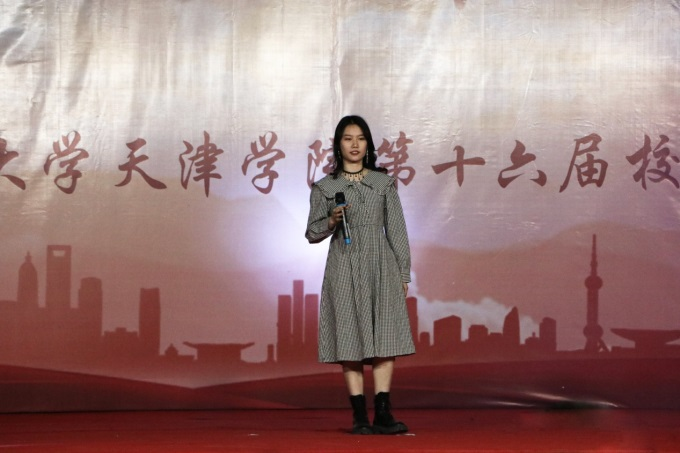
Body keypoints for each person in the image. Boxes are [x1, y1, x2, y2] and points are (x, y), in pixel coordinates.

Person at [305, 115, 415, 435]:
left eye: (361, 138)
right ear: (338, 145)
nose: (354, 145)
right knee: (349, 337)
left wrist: (403, 273)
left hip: (381, 265)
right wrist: (331, 220)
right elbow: (311, 233)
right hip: (343, 265)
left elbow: (397, 231)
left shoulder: (383, 184)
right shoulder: (326, 188)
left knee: (385, 339)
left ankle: (382, 412)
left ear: (368, 144)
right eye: (347, 138)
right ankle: (358, 416)